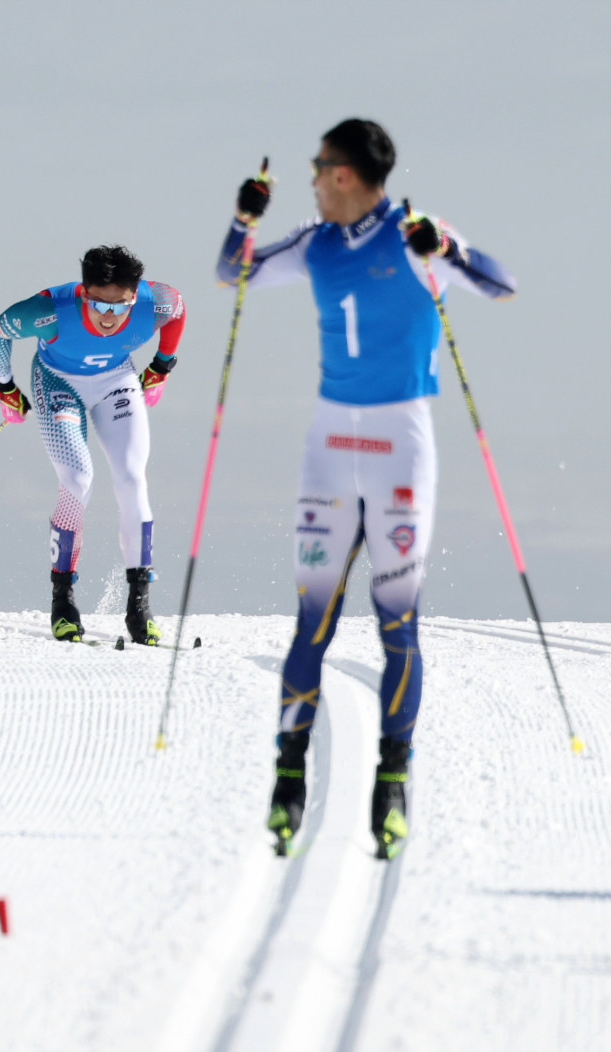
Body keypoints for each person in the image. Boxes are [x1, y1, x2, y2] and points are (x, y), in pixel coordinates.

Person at [216, 119, 517, 858]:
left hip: (399, 447)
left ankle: (393, 781)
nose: (312, 179)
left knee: (396, 625)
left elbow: (500, 283)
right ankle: (289, 779)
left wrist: (445, 252)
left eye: (319, 168)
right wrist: (243, 214)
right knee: (311, 621)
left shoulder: (417, 234)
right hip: (330, 444)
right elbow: (236, 272)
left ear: (345, 173)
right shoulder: (314, 242)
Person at [0, 245, 185, 644]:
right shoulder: (50, 310)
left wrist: (162, 366)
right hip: (58, 383)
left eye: (121, 307)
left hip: (116, 381)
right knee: (78, 480)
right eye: (99, 305)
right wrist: (5, 387)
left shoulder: (155, 302)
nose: (110, 317)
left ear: (135, 296)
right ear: (83, 292)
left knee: (132, 480)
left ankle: (139, 606)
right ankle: (63, 600)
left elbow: (179, 310)